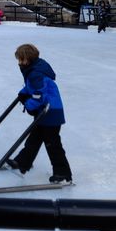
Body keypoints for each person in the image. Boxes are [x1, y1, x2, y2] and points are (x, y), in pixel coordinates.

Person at [6, 44, 72, 184]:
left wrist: (29, 105)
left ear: (28, 59)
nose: (19, 63)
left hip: (50, 112)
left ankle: (62, 172)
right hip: (45, 112)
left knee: (52, 144)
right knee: (34, 139)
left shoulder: (36, 73)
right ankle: (23, 162)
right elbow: (31, 87)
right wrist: (23, 94)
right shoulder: (34, 69)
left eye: (21, 60)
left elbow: (38, 95)